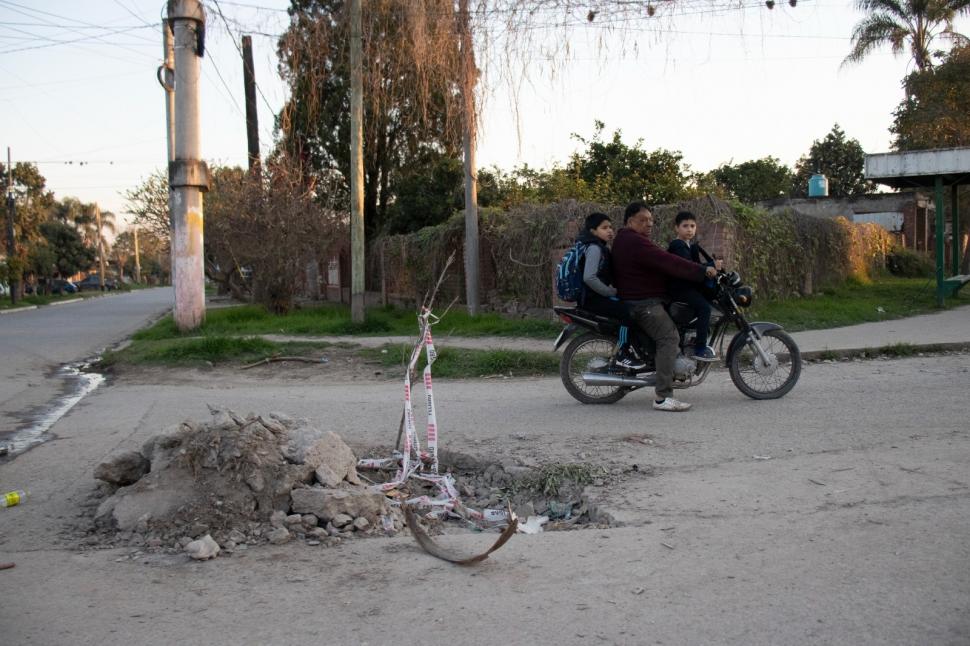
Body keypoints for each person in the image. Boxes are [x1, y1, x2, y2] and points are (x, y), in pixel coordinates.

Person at [612, 202, 718, 412]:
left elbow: (658, 262)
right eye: (644, 220)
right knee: (669, 338)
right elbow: (666, 260)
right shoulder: (634, 241)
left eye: (651, 220)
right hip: (643, 303)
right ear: (630, 221)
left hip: (642, 298)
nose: (649, 224)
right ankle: (663, 397)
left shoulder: (630, 239)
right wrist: (700, 271)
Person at [577, 212, 645, 370]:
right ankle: (622, 354)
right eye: (604, 228)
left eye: (611, 227)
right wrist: (610, 292)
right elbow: (589, 278)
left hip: (595, 297)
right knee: (627, 313)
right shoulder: (594, 248)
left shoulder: (599, 246)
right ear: (593, 231)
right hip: (593, 299)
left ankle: (633, 350)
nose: (610, 231)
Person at [667, 211, 721, 362]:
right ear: (676, 228)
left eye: (692, 226)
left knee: (704, 307)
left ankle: (692, 339)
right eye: (685, 226)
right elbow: (689, 267)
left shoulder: (690, 246)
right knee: (704, 308)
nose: (689, 229)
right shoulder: (677, 245)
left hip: (687, 287)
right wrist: (710, 265)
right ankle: (700, 349)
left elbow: (696, 267)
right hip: (680, 289)